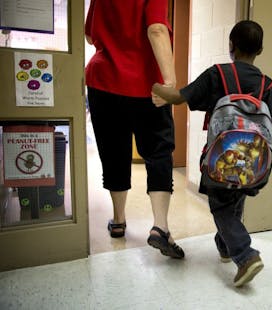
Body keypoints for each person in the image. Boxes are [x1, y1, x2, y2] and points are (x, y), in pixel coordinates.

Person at [151, 20, 272, 286]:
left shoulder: (217, 74)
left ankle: (245, 255)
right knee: (235, 200)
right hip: (253, 162)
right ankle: (224, 247)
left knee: (221, 205)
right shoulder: (266, 85)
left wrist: (156, 89)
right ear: (261, 49)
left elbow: (179, 97)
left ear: (231, 45)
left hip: (222, 159)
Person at [85, 0, 184, 259]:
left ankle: (118, 220)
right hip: (146, 83)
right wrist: (170, 82)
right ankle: (160, 226)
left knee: (113, 151)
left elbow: (88, 34)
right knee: (159, 151)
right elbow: (156, 29)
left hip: (103, 80)